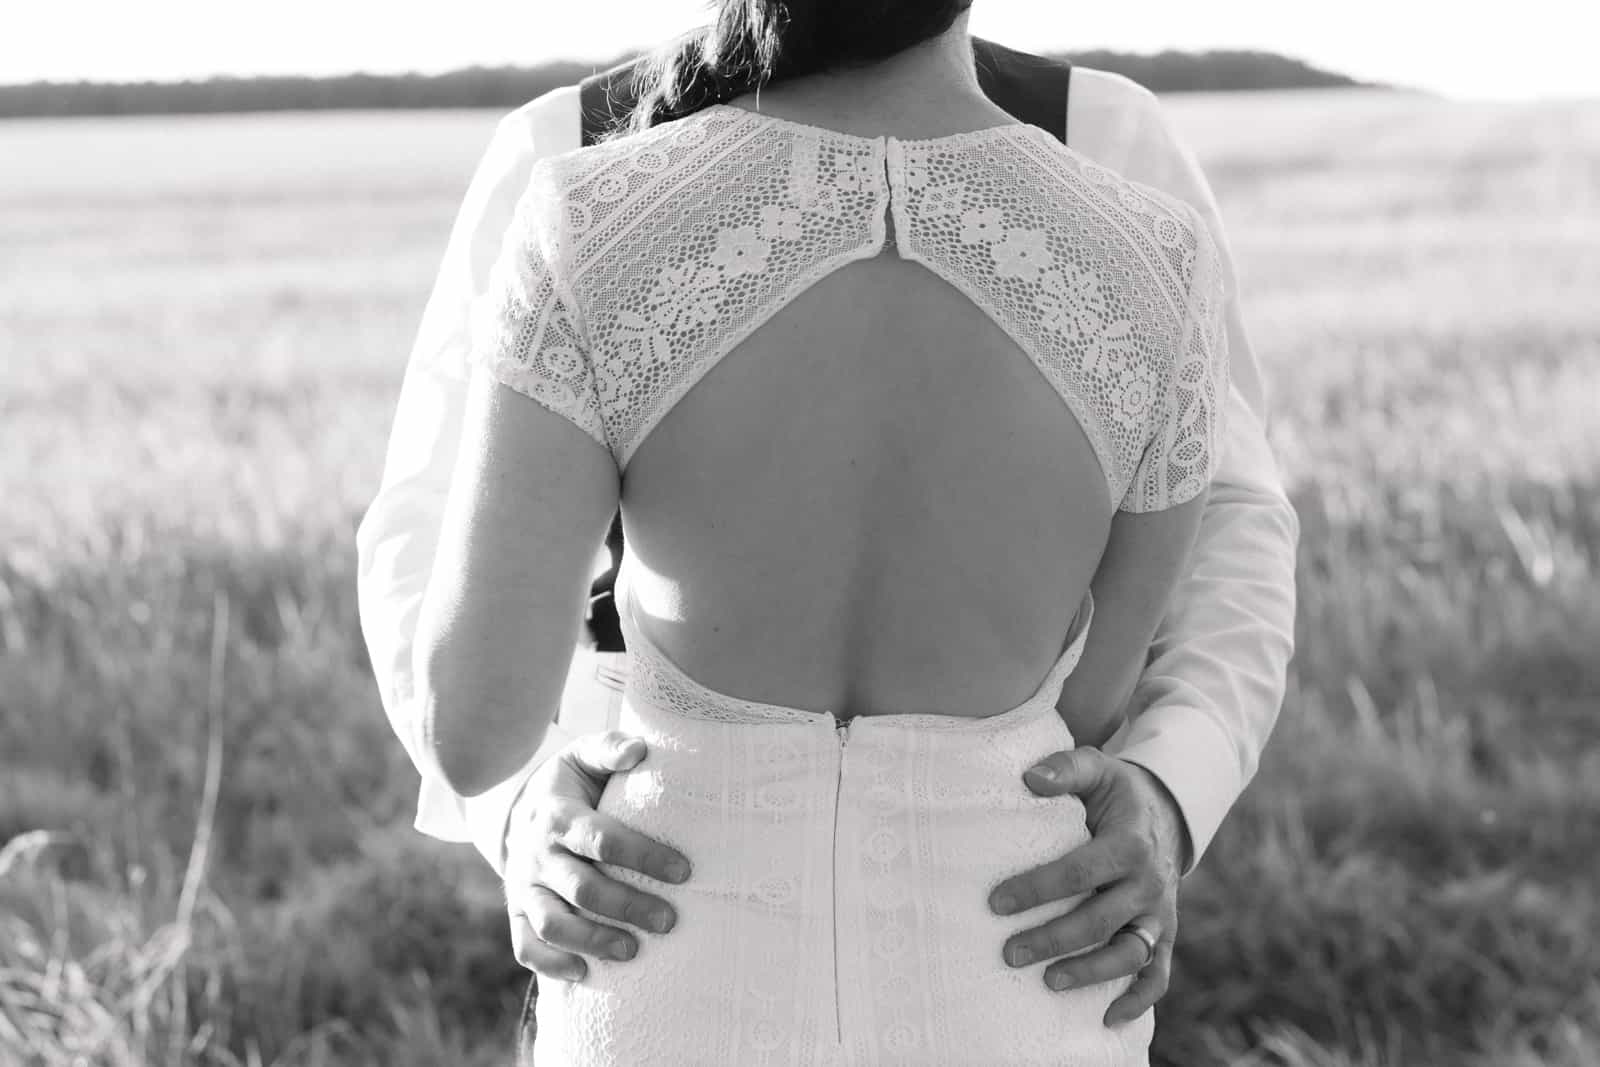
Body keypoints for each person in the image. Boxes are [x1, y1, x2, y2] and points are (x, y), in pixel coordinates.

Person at [356, 4, 1299, 1062]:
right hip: (1019, 961)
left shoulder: (581, 209)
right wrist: (528, 812)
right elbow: (1088, 704)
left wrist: (1170, 796)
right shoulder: (1157, 251)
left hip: (663, 949)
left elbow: (471, 722)